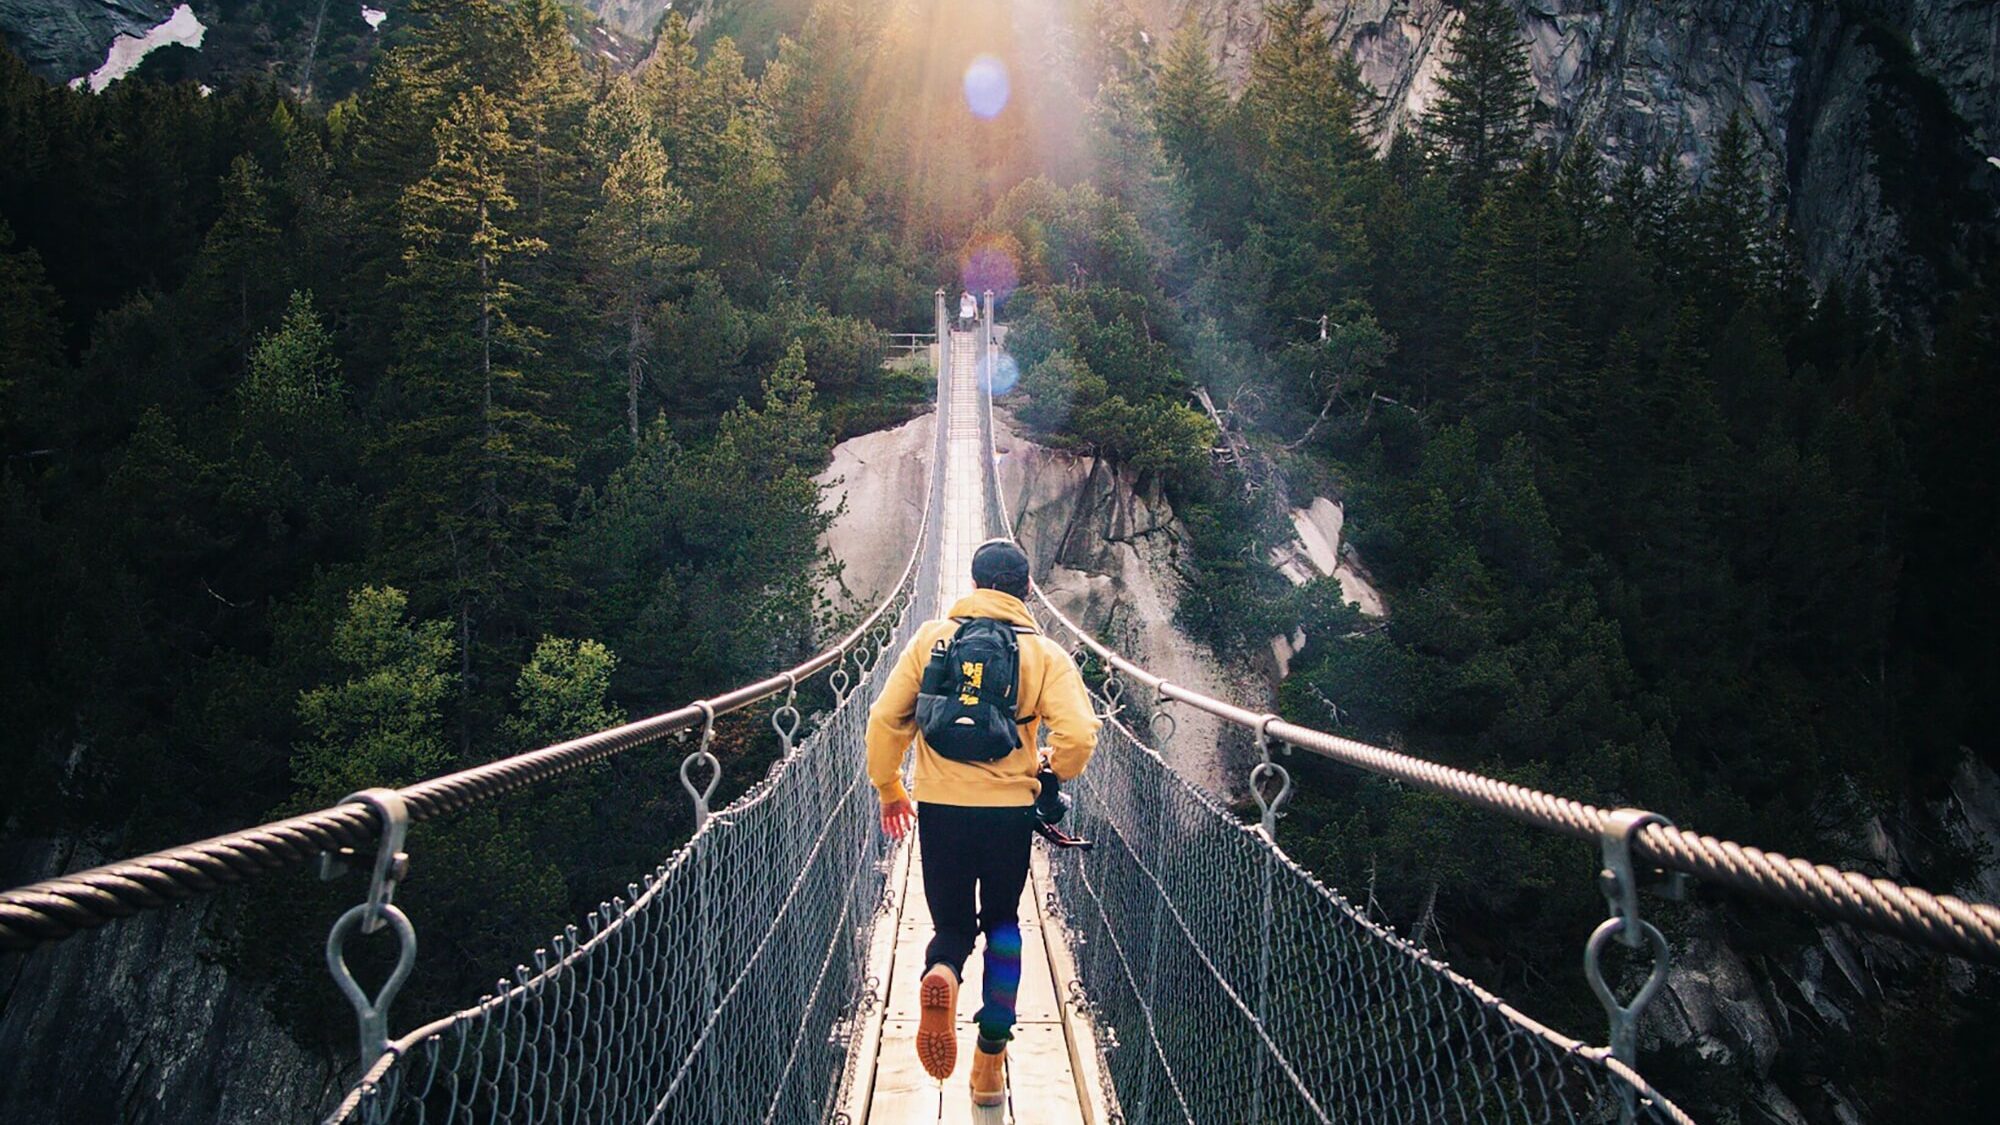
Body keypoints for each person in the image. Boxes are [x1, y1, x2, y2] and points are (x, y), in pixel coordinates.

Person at [866, 539, 1099, 1105]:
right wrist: (1048, 769)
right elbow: (1079, 736)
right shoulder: (1044, 654)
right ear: (1025, 590)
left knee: (951, 925)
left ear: (973, 586)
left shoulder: (930, 640)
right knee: (1002, 926)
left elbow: (884, 718)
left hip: (941, 809)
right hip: (1008, 816)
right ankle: (990, 1061)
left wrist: (890, 787)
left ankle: (942, 969)